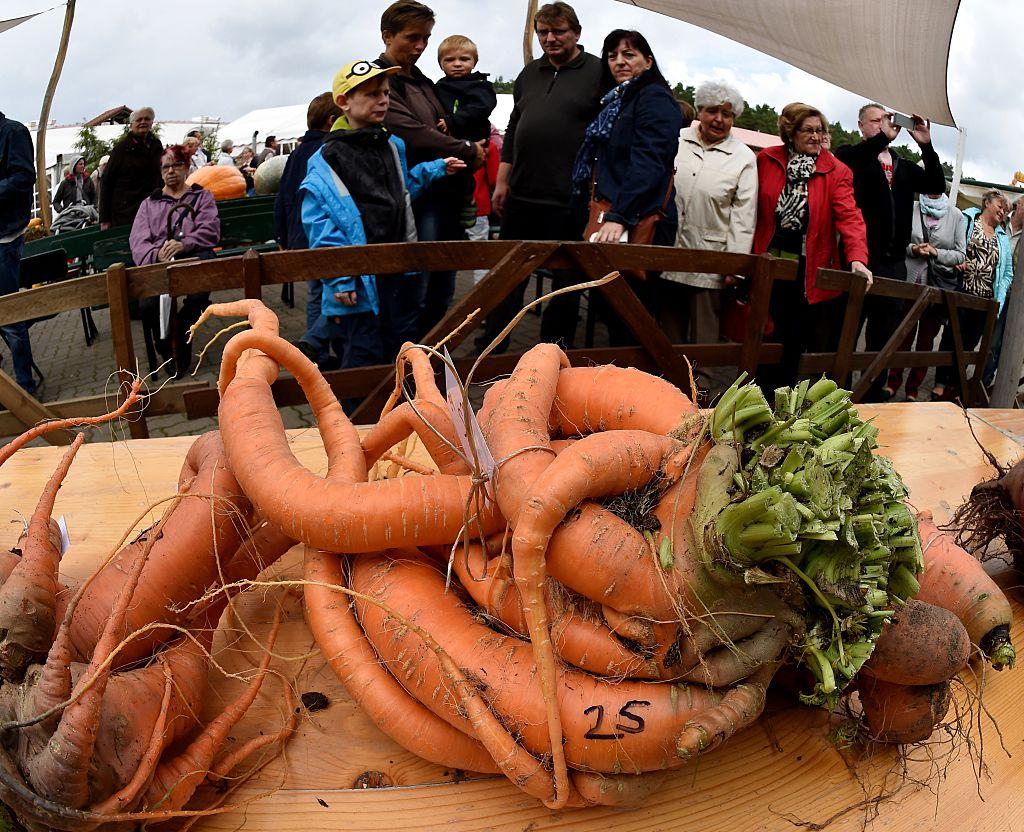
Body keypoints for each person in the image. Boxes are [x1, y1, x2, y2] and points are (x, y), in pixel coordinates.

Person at [297, 59, 463, 377]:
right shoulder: (328, 157)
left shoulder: (392, 145)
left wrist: (436, 168)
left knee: (398, 348)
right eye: (372, 94)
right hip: (359, 277)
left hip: (398, 268)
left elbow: (399, 191)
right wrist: (341, 275)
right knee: (363, 355)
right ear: (344, 102)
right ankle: (359, 421)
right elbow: (320, 223)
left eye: (385, 93)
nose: (383, 100)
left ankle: (398, 413)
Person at [482, 1, 604, 350]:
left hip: (570, 197)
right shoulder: (529, 74)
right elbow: (515, 126)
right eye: (543, 33)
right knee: (508, 275)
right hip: (522, 194)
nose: (550, 38)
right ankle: (494, 342)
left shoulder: (597, 72)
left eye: (558, 31)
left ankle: (553, 349)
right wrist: (503, 181)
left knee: (566, 277)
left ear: (576, 33)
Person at [376, 1, 485, 341]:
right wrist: (466, 149)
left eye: (425, 38)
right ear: (387, 35)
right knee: (415, 285)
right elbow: (411, 131)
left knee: (442, 283)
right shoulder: (382, 79)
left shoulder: (423, 81)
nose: (420, 46)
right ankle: (405, 362)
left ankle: (431, 354)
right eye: (412, 37)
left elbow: (442, 127)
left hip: (446, 193)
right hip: (415, 197)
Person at [570, 28, 681, 345]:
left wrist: (619, 216)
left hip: (637, 216)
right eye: (612, 55)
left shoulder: (654, 97)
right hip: (615, 211)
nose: (619, 61)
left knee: (632, 310)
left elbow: (650, 161)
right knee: (612, 304)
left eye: (628, 54)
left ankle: (639, 383)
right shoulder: (616, 102)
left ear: (648, 61)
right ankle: (617, 377)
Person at [753, 102, 871, 391]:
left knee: (792, 340)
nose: (816, 137)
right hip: (767, 263)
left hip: (806, 272)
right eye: (808, 130)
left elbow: (850, 216)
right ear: (790, 132)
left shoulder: (836, 171)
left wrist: (857, 259)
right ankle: (754, 399)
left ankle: (780, 408)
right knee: (760, 335)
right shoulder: (767, 159)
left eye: (820, 130)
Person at [835, 104, 946, 400]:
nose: (883, 125)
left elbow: (936, 183)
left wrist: (926, 145)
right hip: (856, 259)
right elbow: (848, 163)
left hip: (893, 264)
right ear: (861, 126)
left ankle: (870, 396)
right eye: (876, 121)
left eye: (886, 120)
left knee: (882, 337)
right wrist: (882, 139)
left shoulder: (903, 166)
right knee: (845, 332)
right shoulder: (851, 156)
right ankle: (836, 394)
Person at [661, 79, 757, 345]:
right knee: (667, 331)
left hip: (710, 261)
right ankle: (668, 384)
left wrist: (735, 264)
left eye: (727, 114)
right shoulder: (677, 139)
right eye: (712, 111)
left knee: (705, 335)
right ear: (699, 110)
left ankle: (702, 385)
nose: (719, 119)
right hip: (669, 250)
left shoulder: (744, 157)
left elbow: (744, 216)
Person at [129, 144, 220, 378]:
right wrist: (157, 253)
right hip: (161, 264)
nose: (171, 171)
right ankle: (166, 347)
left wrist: (185, 243)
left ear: (187, 167)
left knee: (198, 293)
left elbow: (210, 230)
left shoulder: (201, 196)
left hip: (192, 257)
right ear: (160, 172)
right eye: (165, 167)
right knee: (148, 306)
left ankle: (183, 330)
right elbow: (138, 240)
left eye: (176, 165)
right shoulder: (149, 204)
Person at [275, 91, 344, 352]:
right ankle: (318, 343)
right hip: (324, 233)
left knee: (316, 293)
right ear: (330, 121)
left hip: (300, 236)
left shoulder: (297, 153)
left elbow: (282, 197)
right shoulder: (330, 149)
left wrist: (283, 236)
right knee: (336, 293)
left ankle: (318, 353)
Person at [883, 192, 965, 401]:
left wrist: (937, 253)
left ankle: (913, 388)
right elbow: (895, 241)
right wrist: (913, 249)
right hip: (910, 281)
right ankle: (893, 383)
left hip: (936, 287)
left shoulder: (955, 215)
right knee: (903, 336)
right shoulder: (912, 207)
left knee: (926, 341)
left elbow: (960, 254)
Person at [933, 191, 1013, 400]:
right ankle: (939, 385)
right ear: (987, 202)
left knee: (969, 344)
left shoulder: (1002, 237)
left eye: (1006, 210)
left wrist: (1000, 292)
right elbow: (951, 246)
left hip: (986, 300)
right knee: (951, 339)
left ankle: (953, 387)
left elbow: (1007, 272)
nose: (1002, 212)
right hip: (962, 292)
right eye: (1000, 205)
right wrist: (955, 262)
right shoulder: (967, 220)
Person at [434, 35, 497, 233]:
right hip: (449, 143)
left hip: (473, 138)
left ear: (474, 62)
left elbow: (481, 107)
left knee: (467, 173)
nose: (457, 64)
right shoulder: (438, 88)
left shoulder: (480, 86)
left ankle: (469, 202)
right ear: (441, 64)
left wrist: (452, 121)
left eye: (464, 59)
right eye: (450, 60)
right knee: (451, 175)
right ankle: (461, 206)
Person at [0, 111, 39, 395]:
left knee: (11, 316)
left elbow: (24, 177)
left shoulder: (13, 132)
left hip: (5, 236)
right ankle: (6, 392)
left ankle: (25, 387)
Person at [982, 196, 1024, 389]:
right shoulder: (1001, 222)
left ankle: (983, 383)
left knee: (996, 343)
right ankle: (958, 382)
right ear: (1019, 205)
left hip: (1009, 296)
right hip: (986, 287)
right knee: (975, 335)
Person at [99, 106, 163, 230]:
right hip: (126, 213)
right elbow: (107, 182)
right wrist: (105, 218)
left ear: (152, 122)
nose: (143, 122)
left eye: (147, 119)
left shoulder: (156, 146)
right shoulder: (121, 149)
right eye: (139, 120)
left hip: (153, 209)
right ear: (131, 124)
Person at [469, 124, 502, 284]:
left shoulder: (452, 140)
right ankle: (479, 296)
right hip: (478, 206)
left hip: (454, 203)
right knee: (480, 254)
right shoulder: (490, 147)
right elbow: (494, 179)